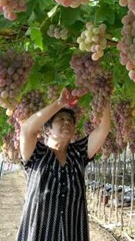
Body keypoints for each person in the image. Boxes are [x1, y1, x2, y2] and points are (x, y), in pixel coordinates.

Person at [16, 93, 111, 241]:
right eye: (61, 119)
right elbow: (27, 130)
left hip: (72, 232)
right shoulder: (36, 153)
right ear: (48, 130)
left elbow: (103, 130)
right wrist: (59, 103)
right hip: (39, 233)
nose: (67, 122)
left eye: (70, 121)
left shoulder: (79, 153)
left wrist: (102, 92)